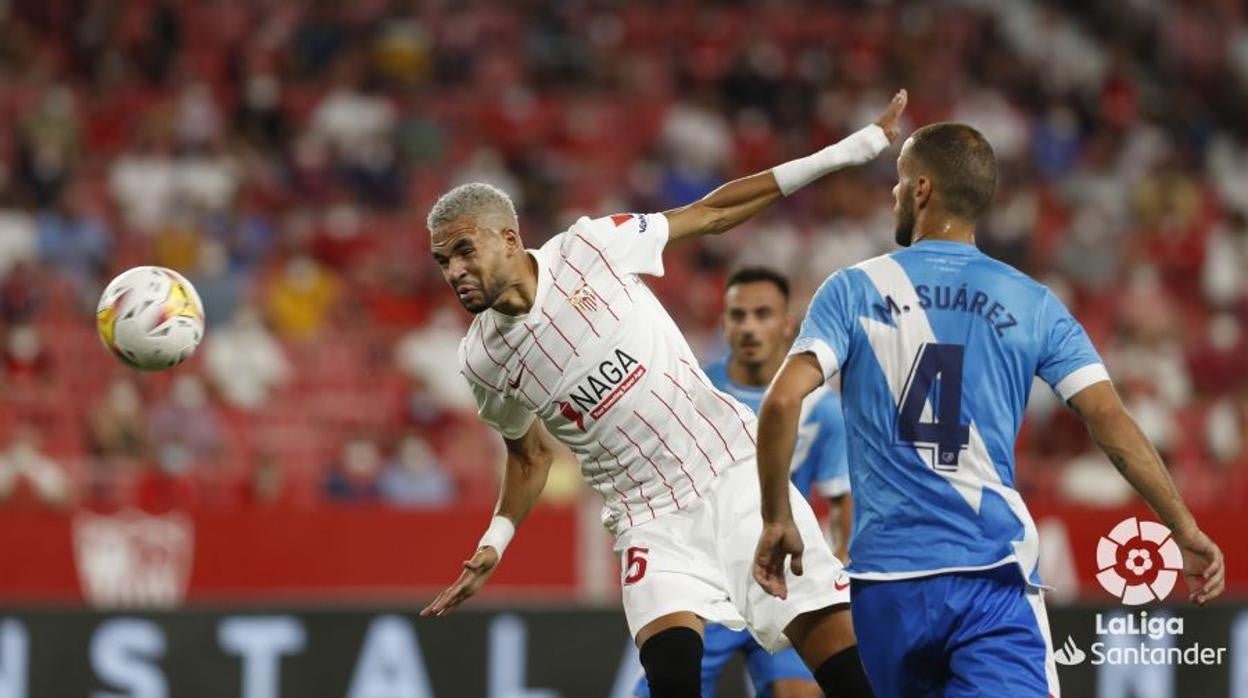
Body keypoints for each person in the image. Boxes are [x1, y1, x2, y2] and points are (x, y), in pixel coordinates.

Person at [420, 90, 910, 698]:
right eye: (443, 261)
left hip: (732, 474)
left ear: (511, 239)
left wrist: (851, 148)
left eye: (465, 250)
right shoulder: (482, 359)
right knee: (672, 682)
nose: (454, 272)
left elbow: (712, 212)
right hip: (647, 520)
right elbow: (529, 457)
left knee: (845, 675)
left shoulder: (591, 249)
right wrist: (495, 541)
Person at [753, 122, 1227, 697]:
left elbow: (780, 402)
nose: (894, 195)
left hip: (885, 586)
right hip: (989, 579)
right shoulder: (1033, 302)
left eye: (901, 183)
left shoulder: (852, 289)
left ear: (923, 190)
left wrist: (776, 518)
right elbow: (1112, 424)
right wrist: (1182, 525)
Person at [634, 266, 851, 698]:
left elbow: (842, 502)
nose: (749, 326)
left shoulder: (821, 407)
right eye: (738, 315)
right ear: (725, 323)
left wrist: (839, 566)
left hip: (784, 577)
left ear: (788, 324)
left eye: (763, 314)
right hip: (708, 581)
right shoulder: (695, 391)